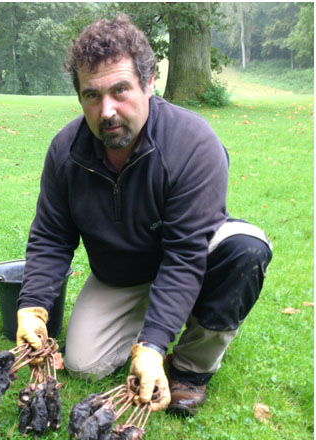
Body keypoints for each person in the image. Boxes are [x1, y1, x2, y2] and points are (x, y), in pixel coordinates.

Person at [16, 14, 272, 416]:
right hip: (121, 277)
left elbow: (186, 255)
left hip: (190, 257)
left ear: (149, 83)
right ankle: (159, 316)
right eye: (92, 96)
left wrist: (153, 347)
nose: (107, 111)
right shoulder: (66, 152)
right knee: (84, 365)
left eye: (121, 90)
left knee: (246, 249)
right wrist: (32, 307)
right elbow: (51, 235)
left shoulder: (193, 143)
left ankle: (190, 366)